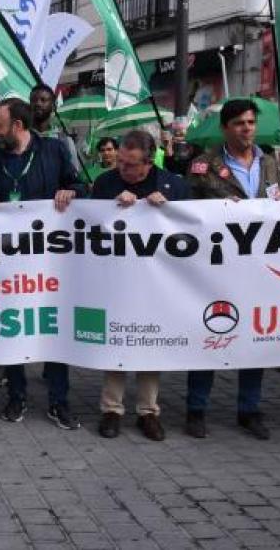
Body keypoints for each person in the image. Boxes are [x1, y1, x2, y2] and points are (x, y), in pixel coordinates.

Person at [184, 98, 280, 440]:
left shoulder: (269, 162)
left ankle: (249, 409)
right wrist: (218, 209)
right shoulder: (203, 165)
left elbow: (278, 202)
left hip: (259, 263)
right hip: (217, 262)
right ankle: (196, 408)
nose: (247, 129)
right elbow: (186, 210)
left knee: (253, 334)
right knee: (211, 331)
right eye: (240, 123)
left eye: (251, 122)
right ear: (225, 128)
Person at [0, 99, 84, 428]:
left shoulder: (53, 150)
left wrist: (71, 193)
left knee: (52, 327)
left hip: (49, 261)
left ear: (18, 126)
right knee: (13, 325)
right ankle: (16, 395)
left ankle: (59, 400)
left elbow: (79, 185)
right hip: (10, 262)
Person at [88, 130, 189, 441]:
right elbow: (89, 226)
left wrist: (168, 209)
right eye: (120, 162)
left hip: (157, 280)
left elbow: (192, 226)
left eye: (130, 165)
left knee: (149, 341)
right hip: (116, 278)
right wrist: (112, 208)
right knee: (116, 338)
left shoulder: (173, 185)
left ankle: (148, 411)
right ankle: (111, 409)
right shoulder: (105, 183)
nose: (122, 169)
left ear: (148, 162)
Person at [29, 84, 85, 177]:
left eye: (43, 100)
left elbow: (73, 175)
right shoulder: (22, 137)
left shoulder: (63, 139)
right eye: (34, 100)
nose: (38, 104)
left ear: (53, 106)